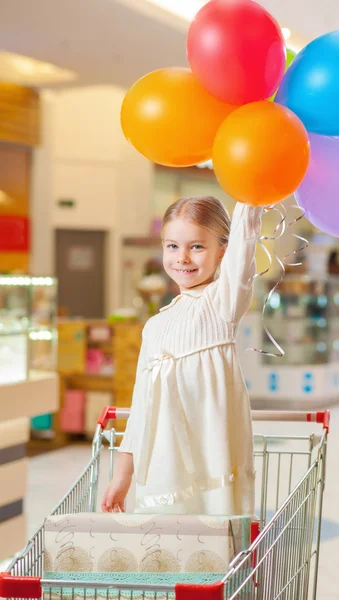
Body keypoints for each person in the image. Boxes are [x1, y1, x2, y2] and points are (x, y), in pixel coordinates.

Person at [102, 196, 263, 515]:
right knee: (161, 553)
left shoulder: (221, 305)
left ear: (223, 250)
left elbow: (245, 242)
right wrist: (123, 475)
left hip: (210, 466)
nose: (183, 258)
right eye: (172, 246)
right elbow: (142, 403)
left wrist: (250, 193)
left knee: (213, 552)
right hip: (161, 469)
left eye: (197, 247)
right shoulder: (156, 325)